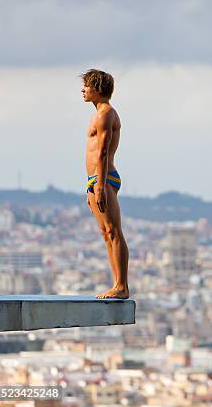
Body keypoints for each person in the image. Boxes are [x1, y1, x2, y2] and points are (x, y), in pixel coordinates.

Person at [82, 69, 130, 299]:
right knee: (105, 233)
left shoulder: (105, 114)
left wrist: (99, 186)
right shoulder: (99, 114)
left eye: (87, 86)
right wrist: (91, 186)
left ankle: (121, 286)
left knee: (113, 231)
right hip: (96, 180)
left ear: (98, 89)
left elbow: (101, 153)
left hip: (104, 178)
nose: (83, 90)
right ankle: (117, 284)